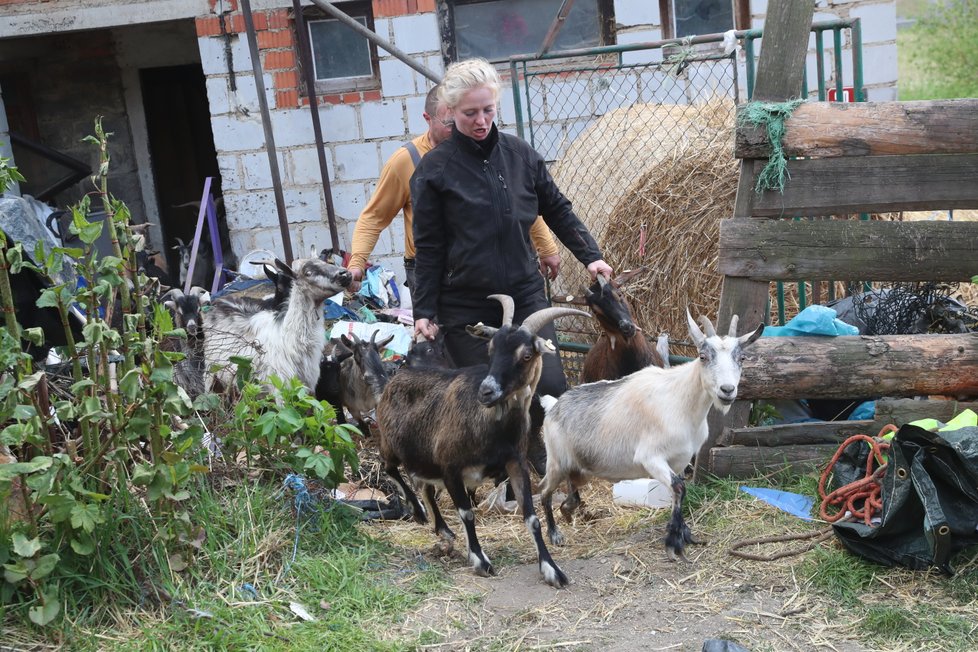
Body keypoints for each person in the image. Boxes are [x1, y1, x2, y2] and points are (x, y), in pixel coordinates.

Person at [410, 57, 614, 401]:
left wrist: (591, 257)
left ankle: (541, 456)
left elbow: (557, 209)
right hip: (466, 306)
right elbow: (428, 247)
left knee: (545, 390)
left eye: (488, 110)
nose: (481, 120)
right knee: (487, 400)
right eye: (470, 113)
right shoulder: (434, 171)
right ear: (452, 112)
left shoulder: (520, 156)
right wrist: (424, 311)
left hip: (524, 296)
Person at [346, 85, 562, 291]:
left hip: (491, 264)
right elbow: (374, 217)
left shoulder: (487, 152)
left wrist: (546, 247)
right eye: (449, 123)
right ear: (427, 119)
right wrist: (357, 263)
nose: (457, 129)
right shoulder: (406, 161)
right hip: (434, 270)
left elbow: (519, 203)